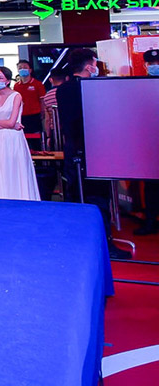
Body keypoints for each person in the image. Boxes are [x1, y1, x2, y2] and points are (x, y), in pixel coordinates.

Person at [56, 48, 131, 259]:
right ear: (89, 66)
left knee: (77, 196)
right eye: (95, 63)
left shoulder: (63, 90)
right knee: (99, 199)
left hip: (73, 149)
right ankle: (105, 245)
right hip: (96, 149)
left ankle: (80, 242)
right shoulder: (94, 87)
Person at [0, 67, 40, 201]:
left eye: (0, 78)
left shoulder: (16, 96)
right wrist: (7, 124)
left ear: (7, 81)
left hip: (13, 138)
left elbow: (11, 122)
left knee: (15, 168)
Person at [135, 49, 159, 235]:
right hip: (148, 143)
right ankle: (150, 220)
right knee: (151, 185)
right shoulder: (139, 85)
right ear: (145, 65)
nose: (154, 66)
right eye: (151, 64)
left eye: (157, 63)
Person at [13, 59, 46, 150]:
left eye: (25, 67)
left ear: (30, 70)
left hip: (35, 115)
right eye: (20, 68)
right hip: (21, 116)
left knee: (36, 140)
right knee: (24, 140)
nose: (22, 69)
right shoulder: (16, 86)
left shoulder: (38, 84)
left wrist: (43, 112)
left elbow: (42, 100)